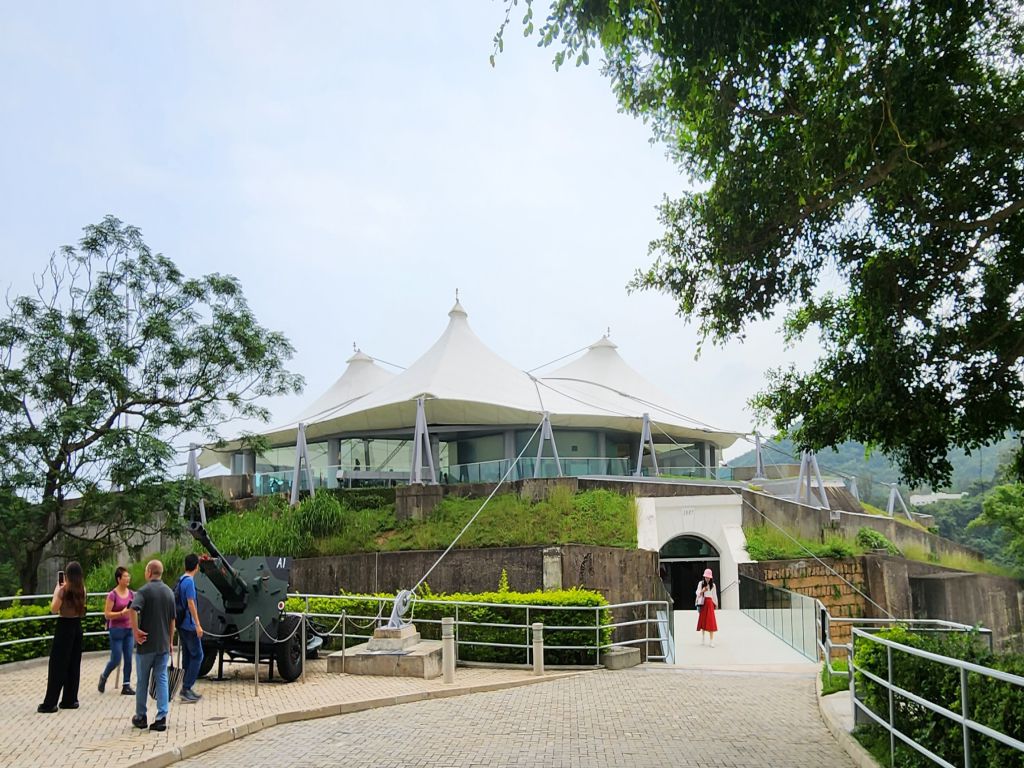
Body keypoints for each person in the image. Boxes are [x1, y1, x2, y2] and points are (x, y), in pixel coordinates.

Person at [129, 560, 175, 732]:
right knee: (161, 678)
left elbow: (133, 609)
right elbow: (172, 620)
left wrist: (136, 631)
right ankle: (162, 716)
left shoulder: (144, 591)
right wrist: (170, 641)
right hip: (163, 644)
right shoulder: (169, 592)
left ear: (149, 572)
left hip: (146, 643)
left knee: (142, 680)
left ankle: (141, 716)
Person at [38, 561, 87, 713]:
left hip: (64, 626)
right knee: (73, 664)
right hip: (77, 627)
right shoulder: (82, 589)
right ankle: (70, 699)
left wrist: (56, 590)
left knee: (57, 665)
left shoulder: (63, 590)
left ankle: (50, 702)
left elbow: (54, 609)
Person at [98, 566, 135, 695]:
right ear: (118, 579)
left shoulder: (131, 594)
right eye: (125, 576)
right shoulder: (112, 595)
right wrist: (121, 613)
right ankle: (104, 676)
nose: (128, 579)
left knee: (129, 658)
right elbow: (107, 614)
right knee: (116, 658)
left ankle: (126, 685)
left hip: (129, 629)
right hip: (116, 629)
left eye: (128, 576)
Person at [175, 553, 204, 703]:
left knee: (187, 656)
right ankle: (186, 687)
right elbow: (191, 603)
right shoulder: (190, 582)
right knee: (198, 656)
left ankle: (185, 688)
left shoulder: (181, 580)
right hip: (189, 624)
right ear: (196, 566)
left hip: (181, 624)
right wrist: (198, 624)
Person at [696, 567, 719, 647]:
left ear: (711, 577)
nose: (707, 578)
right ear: (704, 576)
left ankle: (711, 641)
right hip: (703, 603)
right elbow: (697, 593)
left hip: (710, 603)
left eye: (708, 577)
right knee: (703, 621)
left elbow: (714, 595)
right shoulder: (701, 583)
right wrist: (703, 590)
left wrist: (716, 604)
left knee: (711, 622)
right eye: (706, 577)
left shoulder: (713, 585)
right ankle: (703, 638)